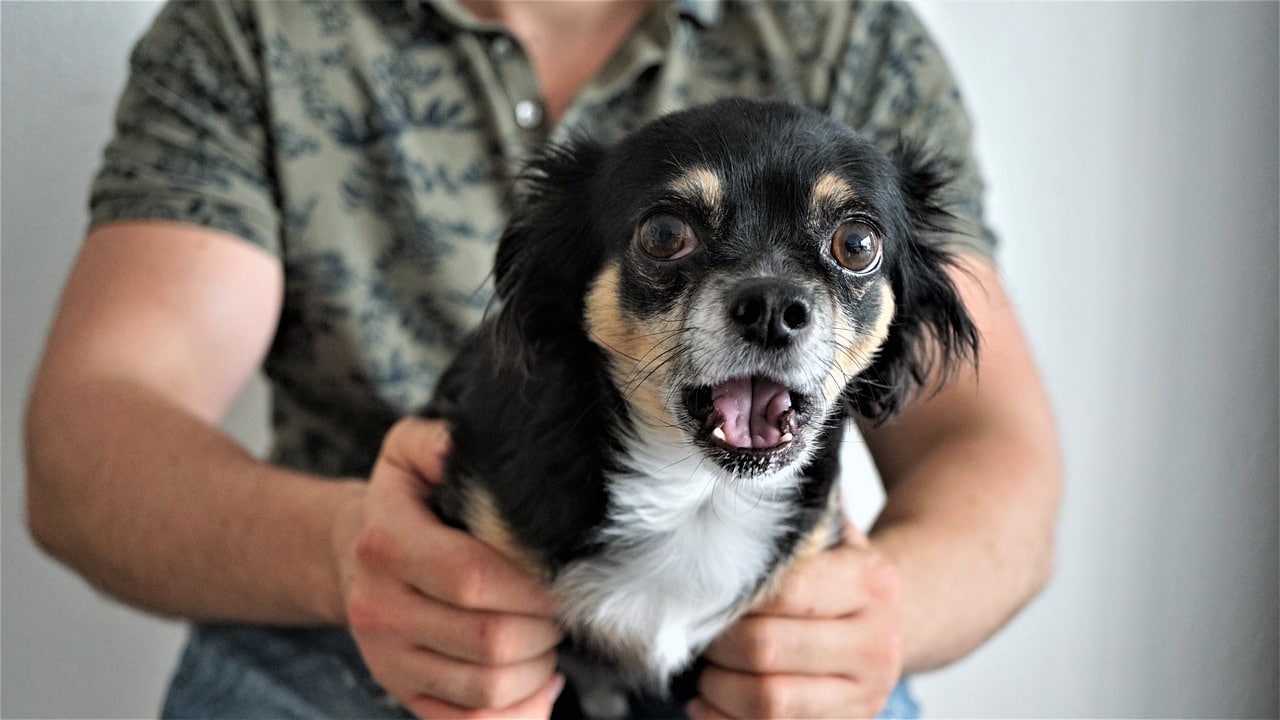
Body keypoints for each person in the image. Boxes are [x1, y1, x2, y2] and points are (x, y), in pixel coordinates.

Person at [24, 1, 1061, 717]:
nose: (780, 302)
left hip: (777, 655)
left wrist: (885, 612)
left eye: (845, 251)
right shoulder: (251, 27)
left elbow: (991, 442)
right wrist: (346, 555)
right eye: (667, 239)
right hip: (358, 618)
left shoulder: (847, 36)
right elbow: (91, 438)